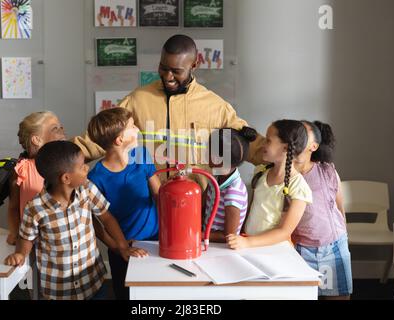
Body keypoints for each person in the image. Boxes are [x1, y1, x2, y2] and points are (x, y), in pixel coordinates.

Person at [72, 34, 266, 186]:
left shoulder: (216, 107)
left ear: (194, 65)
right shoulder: (137, 100)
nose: (168, 76)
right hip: (146, 206)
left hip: (195, 207)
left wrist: (291, 160)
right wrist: (58, 159)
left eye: (176, 71)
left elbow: (255, 148)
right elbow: (98, 139)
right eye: (163, 68)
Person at [4, 141, 147, 300]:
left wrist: (122, 246)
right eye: (82, 166)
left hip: (92, 282)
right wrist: (20, 254)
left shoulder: (87, 189)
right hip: (59, 290)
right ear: (66, 178)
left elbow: (106, 218)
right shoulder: (35, 208)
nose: (87, 168)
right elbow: (26, 238)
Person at [87, 108, 160, 300]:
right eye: (132, 126)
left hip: (156, 240)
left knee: (156, 294)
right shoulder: (95, 177)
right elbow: (94, 221)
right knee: (127, 295)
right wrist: (117, 247)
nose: (137, 129)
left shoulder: (142, 155)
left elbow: (159, 195)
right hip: (123, 250)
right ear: (119, 140)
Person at [226, 120, 312, 249]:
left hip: (274, 251)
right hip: (250, 245)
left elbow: (284, 232)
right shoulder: (261, 172)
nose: (263, 145)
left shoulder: (298, 187)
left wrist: (248, 242)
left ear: (286, 147)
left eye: (268, 141)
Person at [293, 121, 352, 300]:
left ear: (313, 146)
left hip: (332, 246)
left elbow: (339, 207)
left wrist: (344, 239)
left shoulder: (326, 171)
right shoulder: (285, 174)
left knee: (338, 295)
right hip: (300, 249)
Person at [6, 111, 66, 245]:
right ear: (37, 140)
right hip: (33, 244)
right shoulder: (22, 170)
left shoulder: (68, 165)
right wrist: (15, 234)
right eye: (55, 128)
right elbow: (13, 207)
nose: (62, 130)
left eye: (61, 127)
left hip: (63, 242)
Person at [203, 127, 257, 243]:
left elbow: (228, 236)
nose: (205, 152)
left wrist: (197, 235)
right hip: (207, 239)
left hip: (219, 249)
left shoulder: (233, 192)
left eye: (208, 150)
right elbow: (200, 204)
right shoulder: (215, 178)